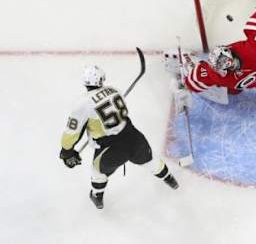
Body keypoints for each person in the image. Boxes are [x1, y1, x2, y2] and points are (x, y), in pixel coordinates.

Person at [59, 65, 178, 209]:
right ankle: (169, 179)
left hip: (111, 150)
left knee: (97, 171)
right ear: (102, 79)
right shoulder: (115, 90)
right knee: (150, 161)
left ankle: (97, 196)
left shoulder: (82, 104)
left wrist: (66, 152)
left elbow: (71, 133)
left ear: (85, 82)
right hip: (134, 138)